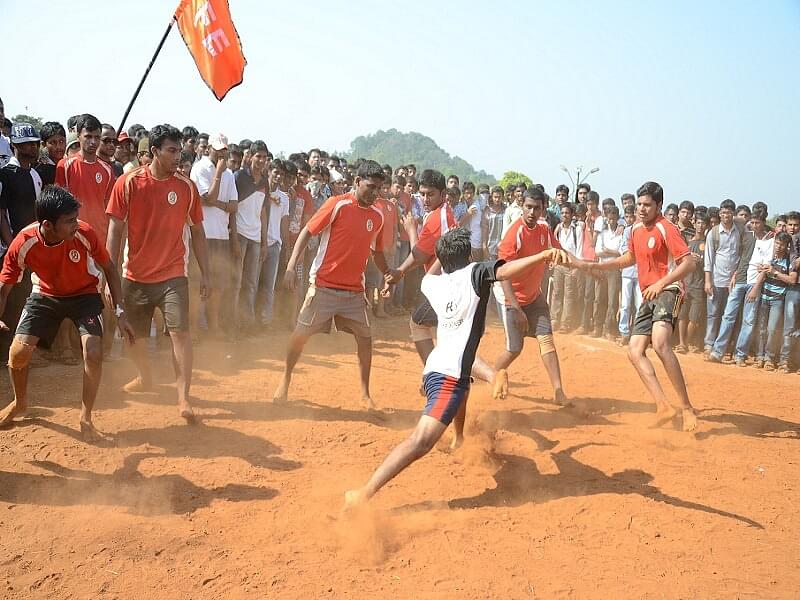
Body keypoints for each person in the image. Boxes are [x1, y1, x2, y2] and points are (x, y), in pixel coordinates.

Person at [343, 228, 569, 509]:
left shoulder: (432, 283)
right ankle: (362, 494)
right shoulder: (475, 273)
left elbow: (434, 268)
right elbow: (505, 271)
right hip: (447, 378)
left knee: (465, 383)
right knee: (421, 441)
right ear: (470, 256)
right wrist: (543, 256)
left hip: (436, 368)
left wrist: (441, 247)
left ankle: (459, 438)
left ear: (441, 258)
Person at [0, 186, 134, 440]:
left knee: (93, 352)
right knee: (17, 354)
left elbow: (109, 268)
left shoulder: (84, 233)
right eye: (69, 221)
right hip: (45, 294)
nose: (76, 224)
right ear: (48, 225)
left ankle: (86, 417)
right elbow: (4, 287)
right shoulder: (24, 242)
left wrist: (120, 311)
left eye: (76, 218)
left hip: (85, 294)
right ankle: (19, 403)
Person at [106, 124, 210, 422]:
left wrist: (206, 273)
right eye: (172, 151)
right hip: (134, 275)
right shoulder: (128, 183)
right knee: (133, 336)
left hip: (173, 274)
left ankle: (183, 397)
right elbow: (115, 232)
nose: (178, 156)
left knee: (180, 333)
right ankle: (144, 376)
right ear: (154, 151)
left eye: (180, 150)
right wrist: (108, 276)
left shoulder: (186, 187)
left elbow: (198, 232)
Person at [575, 182, 698, 432]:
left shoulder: (667, 228)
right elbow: (629, 258)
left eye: (647, 205)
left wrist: (661, 283)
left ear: (659, 205)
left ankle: (686, 408)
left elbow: (688, 264)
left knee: (660, 343)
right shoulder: (634, 230)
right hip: (648, 294)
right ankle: (663, 406)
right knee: (634, 351)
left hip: (669, 290)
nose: (641, 209)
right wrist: (597, 266)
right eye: (639, 204)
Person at [272, 160, 391, 409]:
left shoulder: (377, 216)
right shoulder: (337, 204)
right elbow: (307, 231)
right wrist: (291, 267)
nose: (375, 193)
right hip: (323, 286)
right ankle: (285, 378)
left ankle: (365, 394)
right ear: (357, 182)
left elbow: (377, 251)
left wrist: (389, 273)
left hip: (354, 292)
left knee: (365, 339)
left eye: (378, 188)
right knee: (300, 335)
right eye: (370, 187)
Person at [385, 169, 503, 395]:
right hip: (456, 284)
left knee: (420, 326)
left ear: (442, 194)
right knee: (451, 341)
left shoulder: (436, 218)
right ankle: (482, 376)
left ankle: (437, 375)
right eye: (422, 194)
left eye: (430, 194)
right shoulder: (442, 213)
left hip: (446, 287)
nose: (425, 199)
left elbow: (419, 255)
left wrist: (410, 233)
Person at [494, 189, 572, 406]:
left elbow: (561, 253)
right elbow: (503, 274)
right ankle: (490, 377)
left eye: (536, 208)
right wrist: (516, 308)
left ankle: (558, 391)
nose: (531, 212)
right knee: (514, 349)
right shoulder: (513, 233)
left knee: (546, 340)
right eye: (528, 207)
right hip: (510, 297)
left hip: (534, 295)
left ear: (543, 209)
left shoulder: (545, 229)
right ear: (522, 206)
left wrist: (588, 267)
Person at [190, 133, 237, 337]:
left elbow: (233, 206)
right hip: (202, 233)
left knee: (218, 284)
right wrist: (218, 173)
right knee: (196, 283)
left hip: (221, 235)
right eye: (217, 149)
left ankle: (214, 327)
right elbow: (207, 198)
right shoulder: (200, 168)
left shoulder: (229, 174)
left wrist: (215, 202)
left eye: (224, 150)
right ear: (209, 148)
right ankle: (193, 328)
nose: (221, 153)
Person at [707, 209, 764, 363]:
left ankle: (740, 355)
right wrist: (735, 274)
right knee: (728, 316)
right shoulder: (745, 234)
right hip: (739, 280)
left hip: (753, 283)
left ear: (763, 223)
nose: (754, 225)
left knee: (748, 320)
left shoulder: (769, 240)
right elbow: (740, 257)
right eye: (752, 222)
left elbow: (767, 266)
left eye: (757, 223)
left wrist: (756, 287)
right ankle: (717, 352)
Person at [232, 141, 270, 332]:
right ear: (250, 157)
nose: (261, 160)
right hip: (239, 234)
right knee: (236, 281)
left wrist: (264, 242)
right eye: (258, 156)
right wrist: (233, 238)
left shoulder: (264, 181)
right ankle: (231, 322)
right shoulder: (239, 177)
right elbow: (232, 209)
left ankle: (246, 322)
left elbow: (263, 212)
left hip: (255, 238)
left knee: (250, 283)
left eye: (264, 157)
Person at [703, 199, 742, 356]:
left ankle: (724, 347)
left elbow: (741, 255)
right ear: (719, 214)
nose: (726, 215)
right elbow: (708, 259)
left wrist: (736, 274)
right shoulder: (713, 233)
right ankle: (709, 344)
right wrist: (708, 281)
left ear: (733, 214)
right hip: (716, 280)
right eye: (723, 212)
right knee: (713, 314)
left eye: (729, 212)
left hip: (733, 282)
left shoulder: (740, 231)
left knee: (729, 316)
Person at [752, 233, 797, 370]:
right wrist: (762, 270)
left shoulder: (789, 261)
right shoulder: (769, 257)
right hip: (764, 297)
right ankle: (760, 357)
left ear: (787, 246)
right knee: (761, 329)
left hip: (777, 300)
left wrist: (775, 272)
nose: (778, 247)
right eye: (777, 243)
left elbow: (792, 280)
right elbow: (763, 273)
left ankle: (769, 358)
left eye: (782, 244)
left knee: (772, 330)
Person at [676, 213, 708, 354]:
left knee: (694, 318)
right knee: (682, 316)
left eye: (703, 223)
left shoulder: (708, 243)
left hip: (699, 285)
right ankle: (682, 343)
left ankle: (687, 342)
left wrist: (701, 261)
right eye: (698, 223)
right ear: (694, 224)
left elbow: (710, 264)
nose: (700, 226)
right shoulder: (687, 243)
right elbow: (679, 261)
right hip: (686, 283)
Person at [551, 202, 583, 332]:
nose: (564, 215)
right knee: (557, 292)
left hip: (571, 265)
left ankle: (566, 323)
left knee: (569, 294)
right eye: (563, 213)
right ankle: (555, 319)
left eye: (567, 213)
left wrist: (577, 266)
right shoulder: (558, 228)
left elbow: (579, 248)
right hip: (559, 263)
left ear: (572, 215)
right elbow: (554, 245)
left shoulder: (577, 229)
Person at [617, 204, 641, 346]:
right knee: (625, 304)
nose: (631, 219)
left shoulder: (645, 231)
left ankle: (637, 334)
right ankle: (624, 333)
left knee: (640, 305)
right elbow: (624, 249)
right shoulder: (627, 231)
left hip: (641, 273)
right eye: (628, 217)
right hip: (627, 270)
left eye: (633, 216)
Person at [780, 212, 800, 372]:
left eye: (796, 225)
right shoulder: (786, 240)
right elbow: (795, 265)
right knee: (789, 325)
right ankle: (785, 360)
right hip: (793, 286)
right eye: (790, 225)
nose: (793, 228)